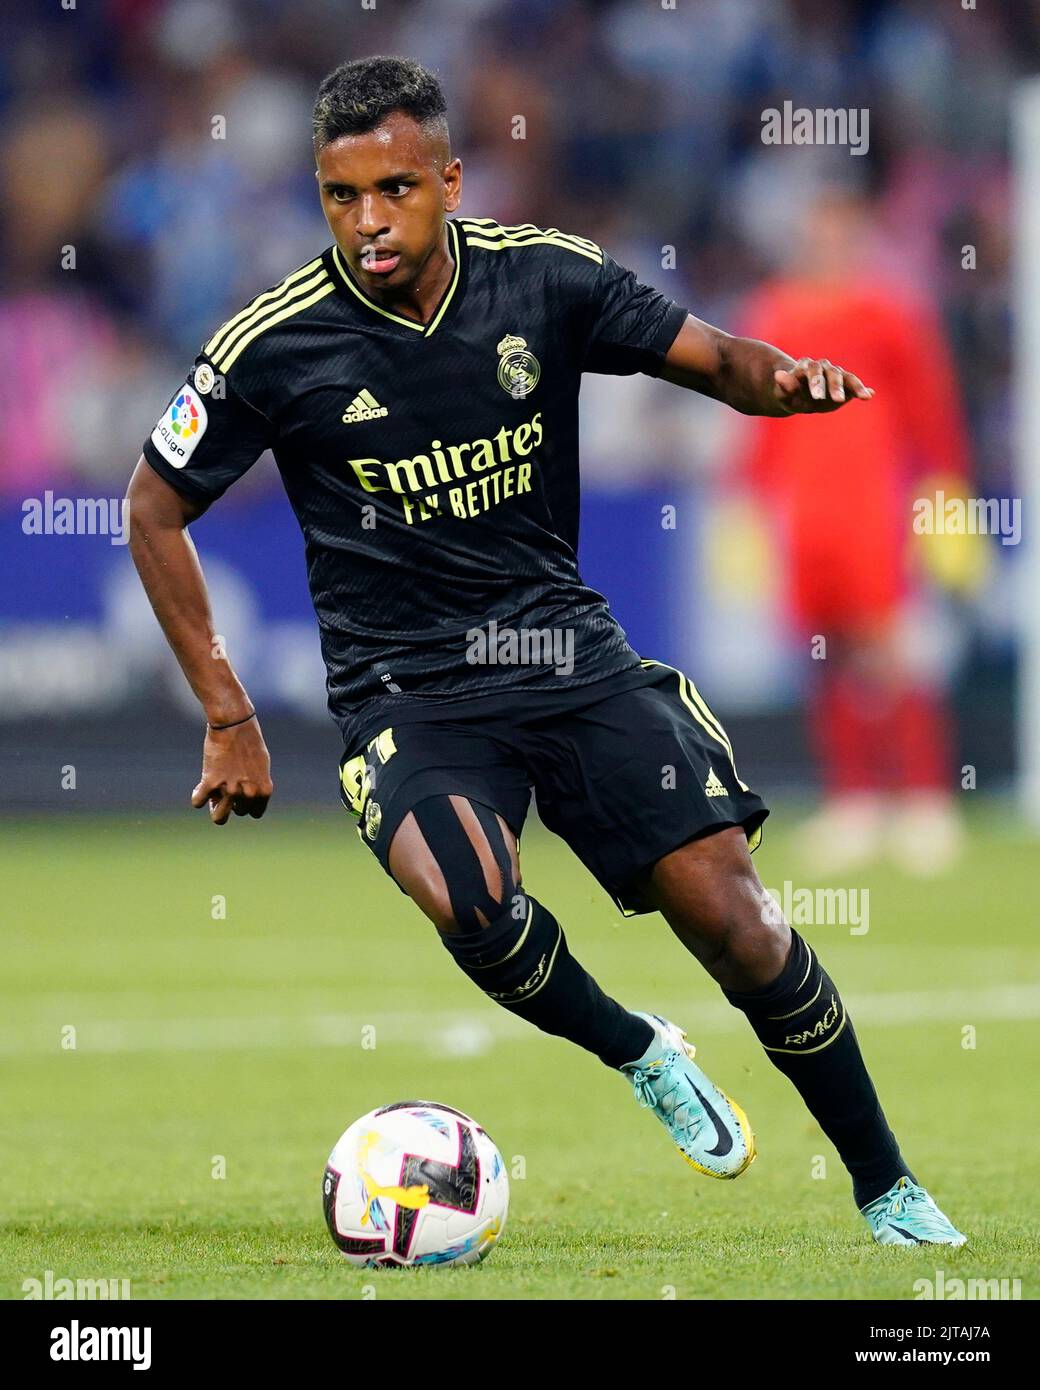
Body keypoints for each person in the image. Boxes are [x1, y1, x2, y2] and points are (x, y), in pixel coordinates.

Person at [127, 56, 964, 1246]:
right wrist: (226, 708)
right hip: (405, 690)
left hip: (563, 653)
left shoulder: (542, 279)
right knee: (469, 899)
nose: (368, 221)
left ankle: (886, 1187)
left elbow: (712, 356)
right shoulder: (276, 344)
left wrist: (783, 383)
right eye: (340, 196)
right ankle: (638, 1050)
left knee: (740, 928)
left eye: (394, 190)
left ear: (449, 181)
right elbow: (151, 504)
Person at [739, 189, 970, 876]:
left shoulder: (889, 312)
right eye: (819, 232)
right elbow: (753, 415)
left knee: (890, 649)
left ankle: (926, 799)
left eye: (842, 231)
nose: (830, 244)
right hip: (804, 512)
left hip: (872, 504)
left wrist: (945, 488)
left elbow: (931, 412)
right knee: (825, 655)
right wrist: (745, 504)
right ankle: (855, 801)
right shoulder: (773, 312)